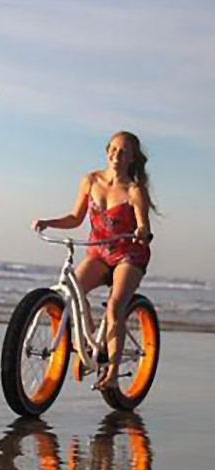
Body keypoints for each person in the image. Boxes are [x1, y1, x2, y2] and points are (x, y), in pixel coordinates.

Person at [32, 131, 156, 389]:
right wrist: (48, 222)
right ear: (107, 150)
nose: (116, 155)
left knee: (114, 307)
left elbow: (143, 224)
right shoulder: (90, 180)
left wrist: (142, 231)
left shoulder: (135, 191)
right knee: (71, 291)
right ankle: (90, 344)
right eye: (113, 149)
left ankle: (111, 375)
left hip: (128, 254)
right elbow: (75, 218)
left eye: (123, 151)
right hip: (98, 251)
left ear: (132, 157)